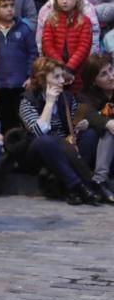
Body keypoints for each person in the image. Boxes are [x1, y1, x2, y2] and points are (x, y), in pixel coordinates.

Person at [20, 57, 100, 205]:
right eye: (56, 77)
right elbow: (38, 132)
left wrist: (84, 122)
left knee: (90, 134)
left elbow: (78, 116)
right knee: (47, 140)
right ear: (43, 79)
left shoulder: (67, 96)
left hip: (67, 148)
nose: (62, 80)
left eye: (62, 76)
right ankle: (81, 185)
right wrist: (49, 103)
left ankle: (71, 188)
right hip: (40, 152)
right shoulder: (28, 100)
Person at [0, 0, 38, 133]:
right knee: (4, 121)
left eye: (12, 5)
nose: (10, 9)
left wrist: (31, 76)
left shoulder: (24, 29)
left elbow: (33, 54)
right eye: (4, 6)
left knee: (22, 121)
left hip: (20, 84)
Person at [40, 0, 92, 88]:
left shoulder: (84, 21)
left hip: (77, 71)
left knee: (76, 101)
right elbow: (47, 45)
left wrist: (69, 68)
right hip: (55, 72)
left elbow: (84, 47)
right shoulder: (50, 20)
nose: (64, 1)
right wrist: (61, 67)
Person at [76, 54, 114, 202]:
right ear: (93, 81)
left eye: (111, 70)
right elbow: (77, 119)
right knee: (108, 126)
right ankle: (99, 180)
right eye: (104, 74)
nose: (111, 76)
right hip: (92, 149)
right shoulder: (82, 95)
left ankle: (101, 180)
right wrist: (106, 123)